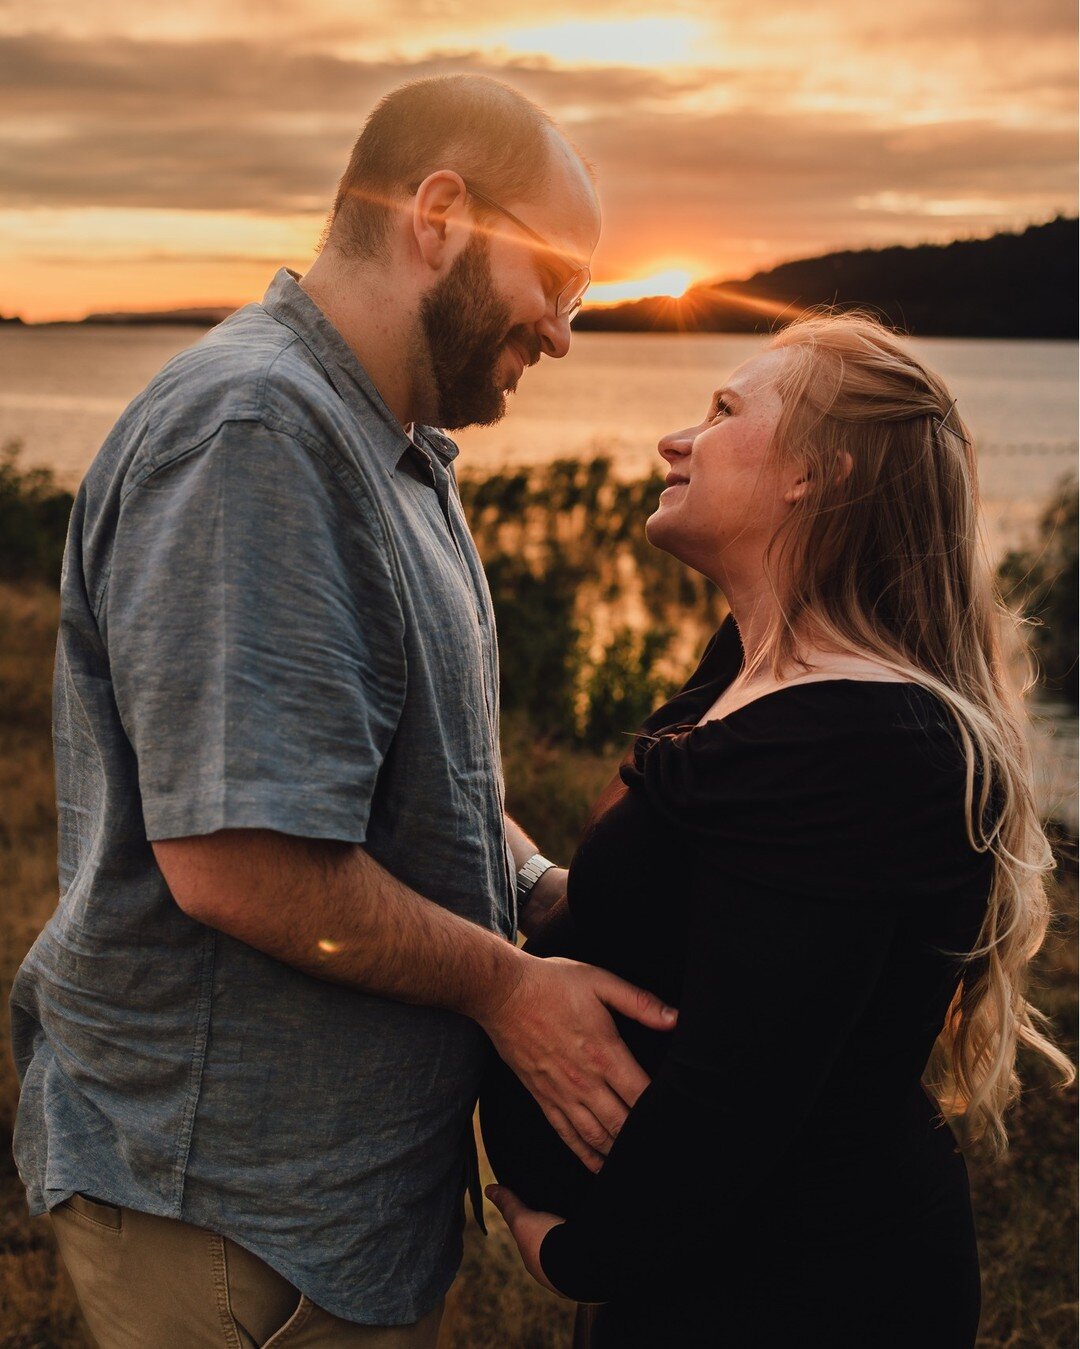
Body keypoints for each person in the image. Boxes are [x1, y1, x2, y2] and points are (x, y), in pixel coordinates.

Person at [9, 75, 679, 1348]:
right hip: (235, 1210)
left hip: (329, 1205)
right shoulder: (257, 433)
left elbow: (415, 775)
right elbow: (239, 862)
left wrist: (536, 884)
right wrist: (508, 988)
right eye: (559, 280)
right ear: (440, 213)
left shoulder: (395, 447)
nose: (564, 330)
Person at [480, 312, 1075, 1347]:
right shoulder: (758, 679)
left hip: (791, 1295)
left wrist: (570, 1254)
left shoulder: (857, 742)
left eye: (721, 410)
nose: (676, 439)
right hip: (711, 1271)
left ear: (818, 474)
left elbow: (737, 1096)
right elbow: (694, 929)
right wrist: (515, 862)